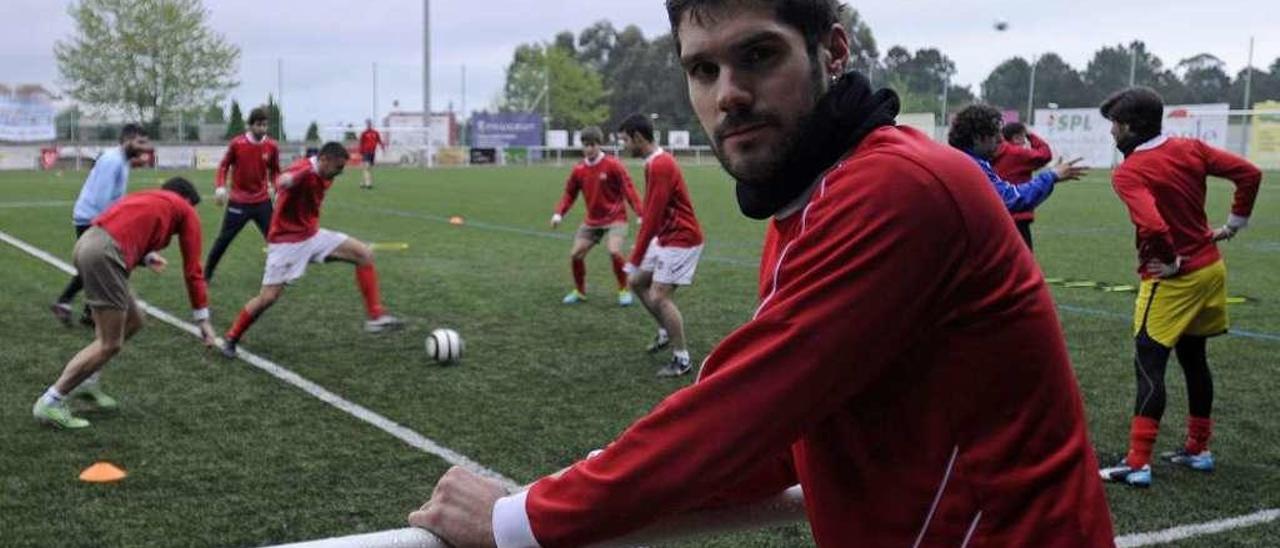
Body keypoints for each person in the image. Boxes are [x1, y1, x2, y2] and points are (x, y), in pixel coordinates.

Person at [409, 1, 1114, 546]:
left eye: (758, 55)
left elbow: (735, 417)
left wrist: (517, 522)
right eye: (702, 69)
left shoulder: (900, 189)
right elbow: (781, 433)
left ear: (833, 50)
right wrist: (580, 489)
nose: (728, 94)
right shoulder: (807, 206)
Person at [1096, 86, 1263, 488]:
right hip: (1211, 270)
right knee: (1194, 359)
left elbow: (1153, 225)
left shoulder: (1130, 172)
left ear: (1131, 127)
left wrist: (1170, 259)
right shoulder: (1190, 148)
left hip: (1173, 280)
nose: (1111, 134)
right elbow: (1249, 173)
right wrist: (1234, 224)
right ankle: (1198, 448)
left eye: (1115, 126)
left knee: (1149, 364)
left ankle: (1137, 462)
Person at [32, 178, 216, 429]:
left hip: (88, 244)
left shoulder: (148, 197)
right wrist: (202, 319)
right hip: (105, 256)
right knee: (110, 343)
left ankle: (88, 381)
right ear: (186, 200)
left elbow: (126, 228)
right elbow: (193, 270)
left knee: (134, 320)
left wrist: (147, 257)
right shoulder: (184, 210)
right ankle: (51, 401)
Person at [220, 142, 402, 359]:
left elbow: (312, 181)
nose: (341, 172)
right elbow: (288, 177)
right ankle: (231, 337)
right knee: (268, 297)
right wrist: (285, 181)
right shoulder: (304, 170)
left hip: (312, 236)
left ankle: (375, 317)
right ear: (324, 160)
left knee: (364, 254)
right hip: (286, 243)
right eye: (338, 167)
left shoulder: (326, 174)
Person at [618, 113, 705, 377]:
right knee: (637, 283)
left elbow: (653, 217)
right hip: (666, 236)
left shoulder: (660, 165)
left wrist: (634, 257)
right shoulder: (653, 163)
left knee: (659, 296)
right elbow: (654, 213)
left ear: (638, 138)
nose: (623, 145)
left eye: (624, 140)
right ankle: (666, 331)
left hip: (682, 238)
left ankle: (682, 360)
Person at [50, 123, 151, 327]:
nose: (144, 147)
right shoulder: (113, 161)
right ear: (127, 140)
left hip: (97, 218)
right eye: (140, 142)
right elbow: (101, 200)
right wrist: (113, 227)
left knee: (96, 266)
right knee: (100, 266)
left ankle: (81, 309)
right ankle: (72, 305)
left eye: (145, 143)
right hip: (92, 218)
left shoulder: (121, 158)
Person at [551, 126, 644, 306]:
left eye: (592, 145)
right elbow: (569, 194)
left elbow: (629, 190)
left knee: (614, 251)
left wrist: (640, 213)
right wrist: (558, 214)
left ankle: (623, 289)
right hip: (593, 220)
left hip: (616, 218)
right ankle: (580, 291)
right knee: (576, 255)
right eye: (585, 145)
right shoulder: (579, 170)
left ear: (600, 145)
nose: (589, 149)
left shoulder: (613, 165)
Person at [948, 104, 1086, 219]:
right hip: (1016, 219)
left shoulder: (957, 161)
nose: (1000, 140)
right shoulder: (972, 166)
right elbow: (1011, 198)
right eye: (994, 134)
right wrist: (1052, 175)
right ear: (978, 138)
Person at [205, 107, 282, 283]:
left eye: (265, 125)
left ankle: (280, 273)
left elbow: (276, 171)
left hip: (262, 201)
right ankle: (206, 273)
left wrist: (276, 189)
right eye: (258, 125)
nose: (262, 129)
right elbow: (224, 166)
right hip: (238, 202)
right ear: (250, 125)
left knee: (275, 239)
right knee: (224, 239)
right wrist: (220, 186)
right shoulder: (237, 144)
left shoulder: (271, 146)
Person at [992, 121, 1054, 250]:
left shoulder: (989, 153)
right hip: (1018, 216)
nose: (1025, 142)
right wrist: (1030, 134)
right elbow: (1045, 154)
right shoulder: (1017, 154)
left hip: (995, 215)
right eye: (1023, 137)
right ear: (1016, 138)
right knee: (1023, 263)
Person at [358, 119, 386, 190]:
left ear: (371, 124)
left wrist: (382, 147)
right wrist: (361, 151)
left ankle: (362, 183)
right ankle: (368, 184)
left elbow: (379, 140)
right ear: (366, 124)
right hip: (366, 152)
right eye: (367, 123)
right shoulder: (364, 133)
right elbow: (361, 143)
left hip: (372, 152)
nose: (369, 125)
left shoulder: (375, 133)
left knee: (367, 168)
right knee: (367, 167)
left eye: (369, 123)